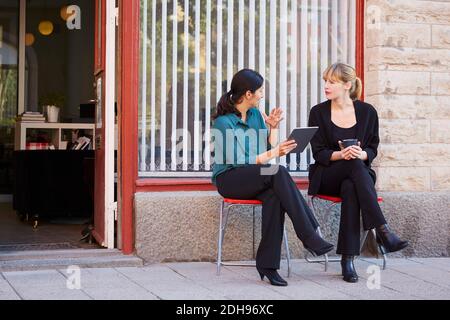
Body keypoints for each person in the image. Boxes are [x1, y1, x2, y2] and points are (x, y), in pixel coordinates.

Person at [212, 69, 334, 287]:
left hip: (255, 175)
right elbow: (239, 160)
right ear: (248, 94)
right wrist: (274, 154)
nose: (262, 95)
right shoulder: (223, 123)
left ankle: (268, 265)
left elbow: (266, 150)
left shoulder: (256, 116)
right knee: (278, 172)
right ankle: (309, 234)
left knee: (275, 194)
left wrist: (274, 128)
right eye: (260, 91)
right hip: (230, 179)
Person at [308, 63, 409, 283]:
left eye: (331, 82)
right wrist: (342, 155)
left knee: (351, 186)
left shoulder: (367, 112)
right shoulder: (318, 112)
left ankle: (348, 260)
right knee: (353, 166)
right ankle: (383, 231)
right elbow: (318, 153)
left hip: (357, 175)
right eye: (325, 80)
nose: (326, 85)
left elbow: (372, 147)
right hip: (327, 175)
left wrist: (361, 154)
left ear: (346, 85)